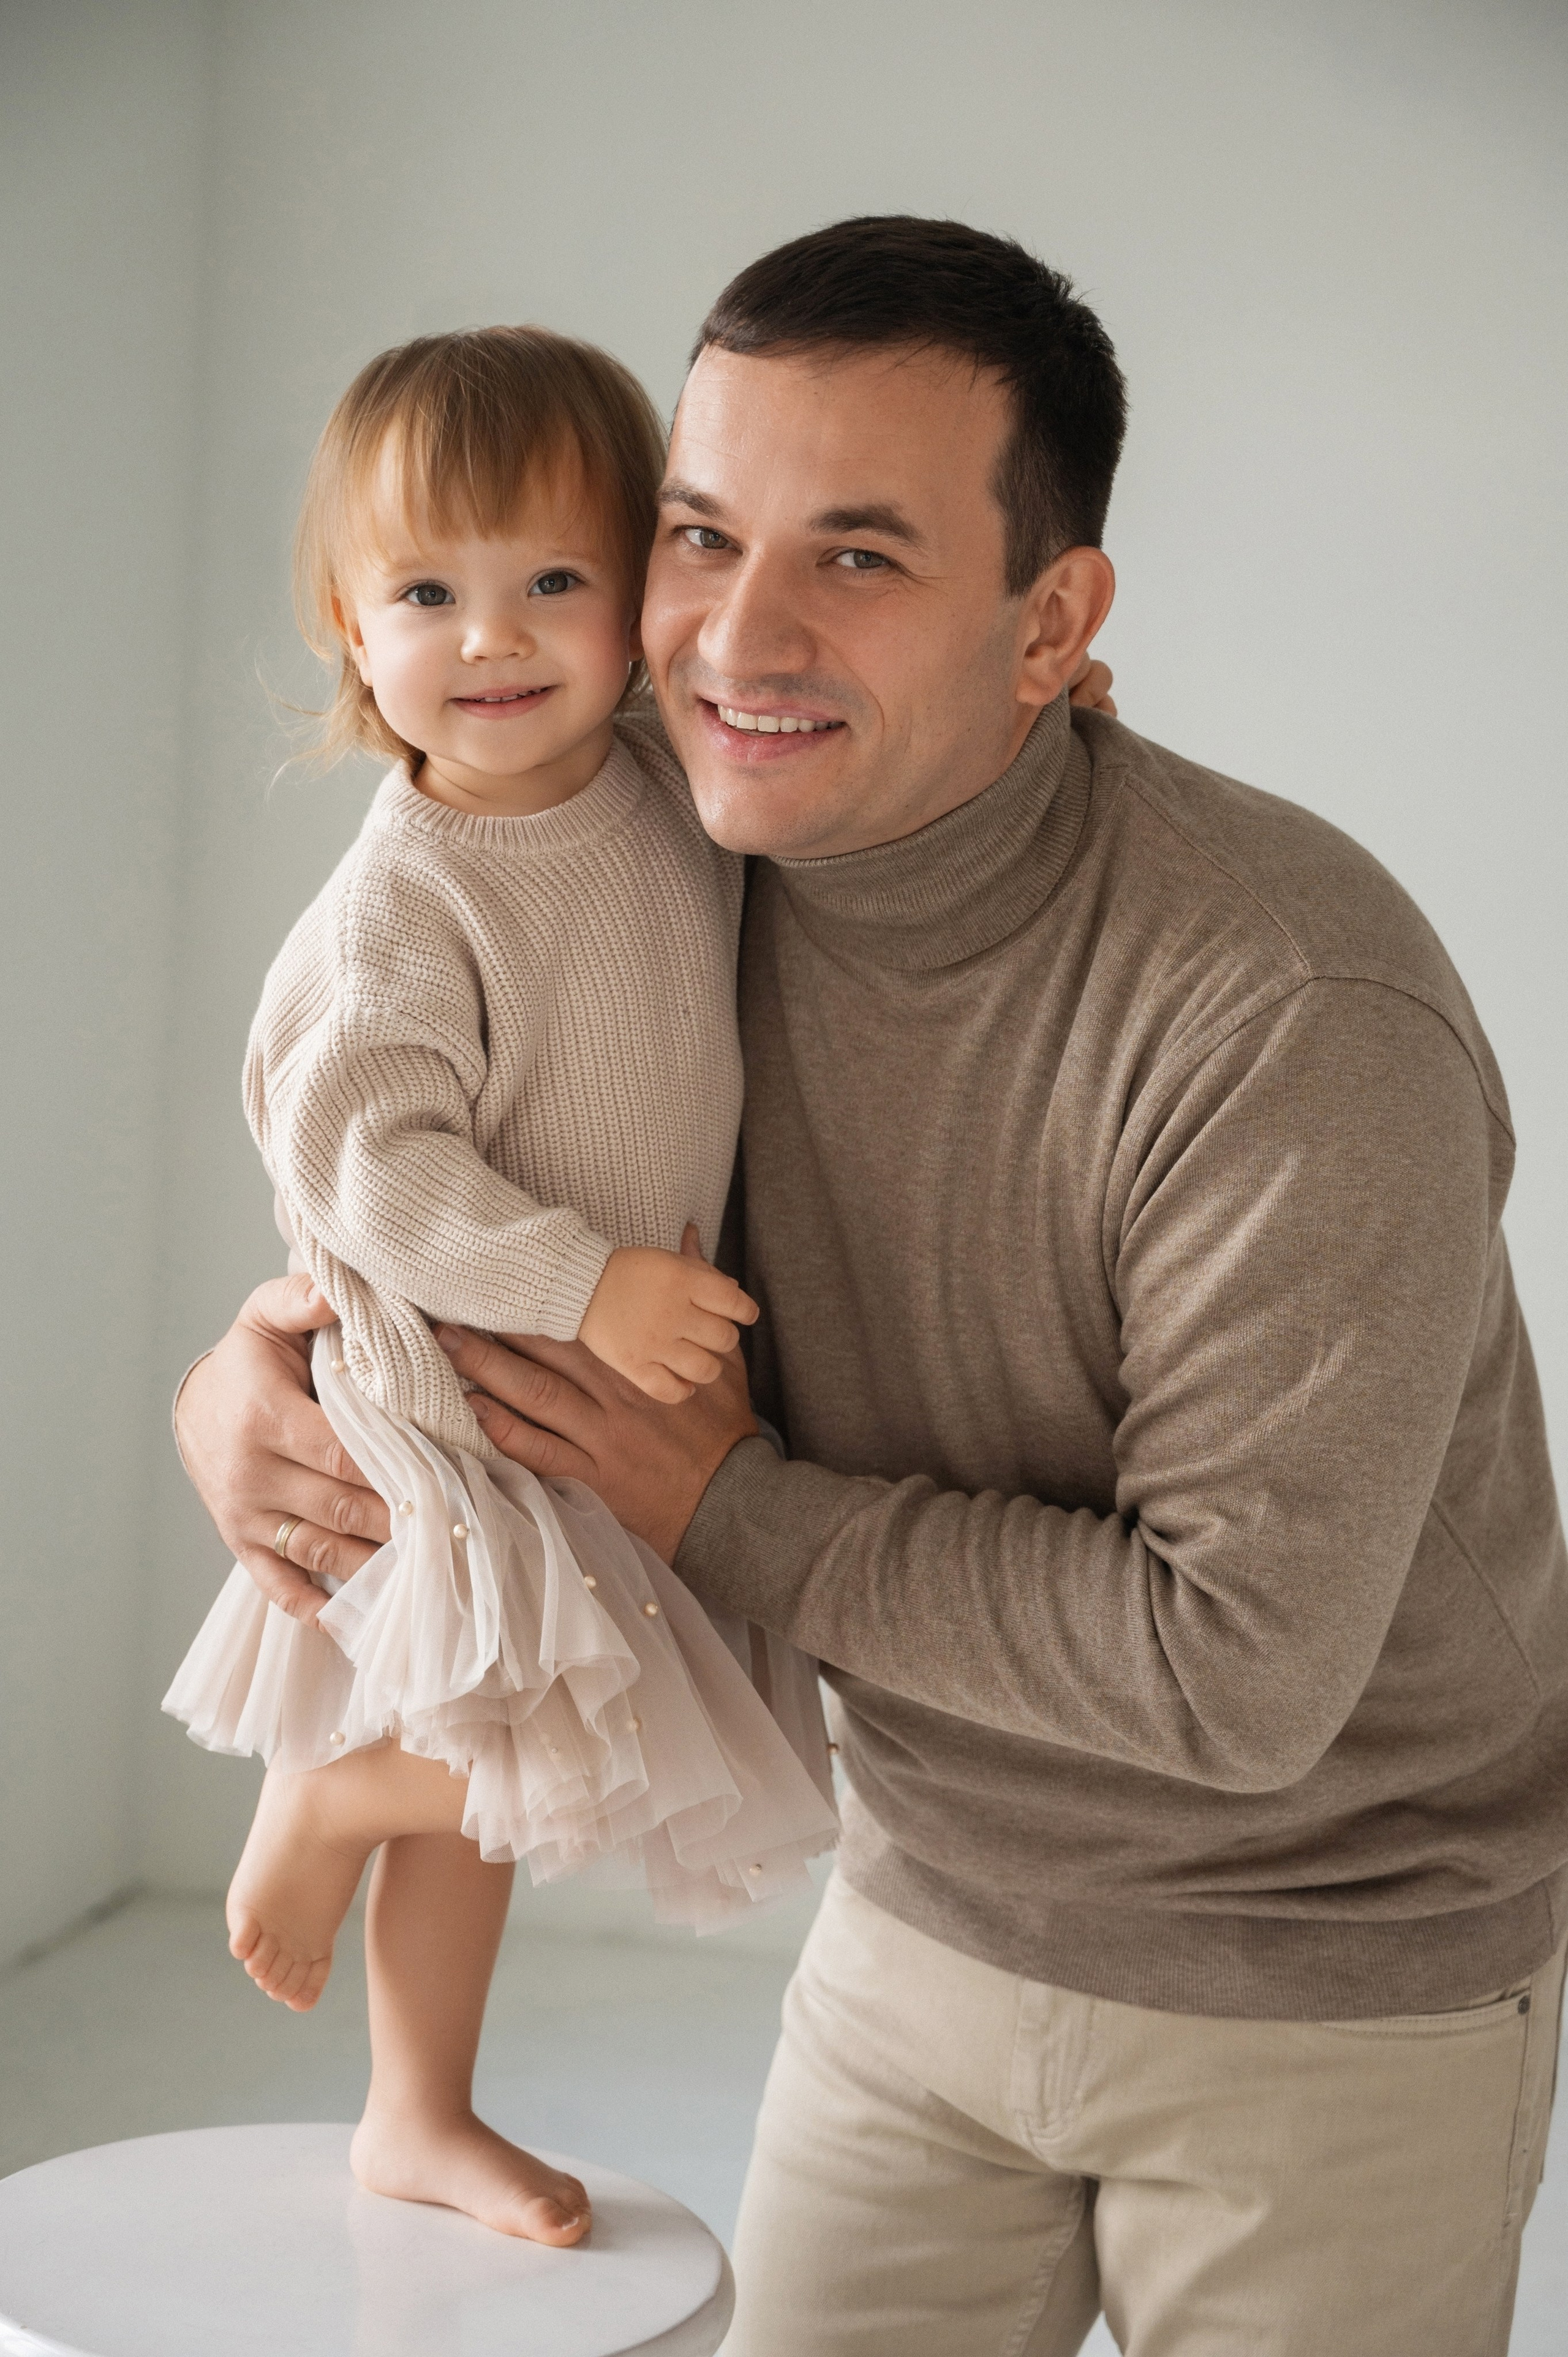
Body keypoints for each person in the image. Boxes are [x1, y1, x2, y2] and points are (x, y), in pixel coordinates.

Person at [175, 219, 1568, 2356]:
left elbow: (1237, 1677)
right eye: (701, 535)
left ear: (1055, 624)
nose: (740, 633)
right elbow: (427, 1114)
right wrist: (259, 1381)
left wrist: (714, 1507)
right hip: (917, 1919)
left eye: (862, 557)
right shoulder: (682, 843)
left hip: (1326, 1969)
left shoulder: (1291, 1012)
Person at [164, 322, 839, 2249]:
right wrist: (585, 1280)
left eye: (556, 579)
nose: (497, 637)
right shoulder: (407, 896)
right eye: (429, 593)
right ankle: (327, 1799)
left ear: (640, 600)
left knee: (510, 1801)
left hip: (587, 1384)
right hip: (463, 1379)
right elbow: (367, 1165)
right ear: (347, 627)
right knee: (514, 1745)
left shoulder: (651, 779)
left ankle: (415, 2110)